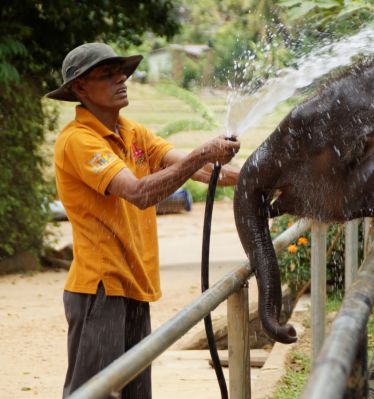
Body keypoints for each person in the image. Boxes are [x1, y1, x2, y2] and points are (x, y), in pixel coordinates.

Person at [46, 42, 240, 398]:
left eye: (121, 72)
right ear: (80, 88)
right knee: (93, 392)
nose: (121, 79)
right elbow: (137, 193)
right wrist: (202, 153)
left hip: (134, 280)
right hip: (100, 286)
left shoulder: (132, 133)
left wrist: (256, 178)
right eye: (106, 75)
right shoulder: (78, 141)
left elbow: (200, 169)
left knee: (136, 392)